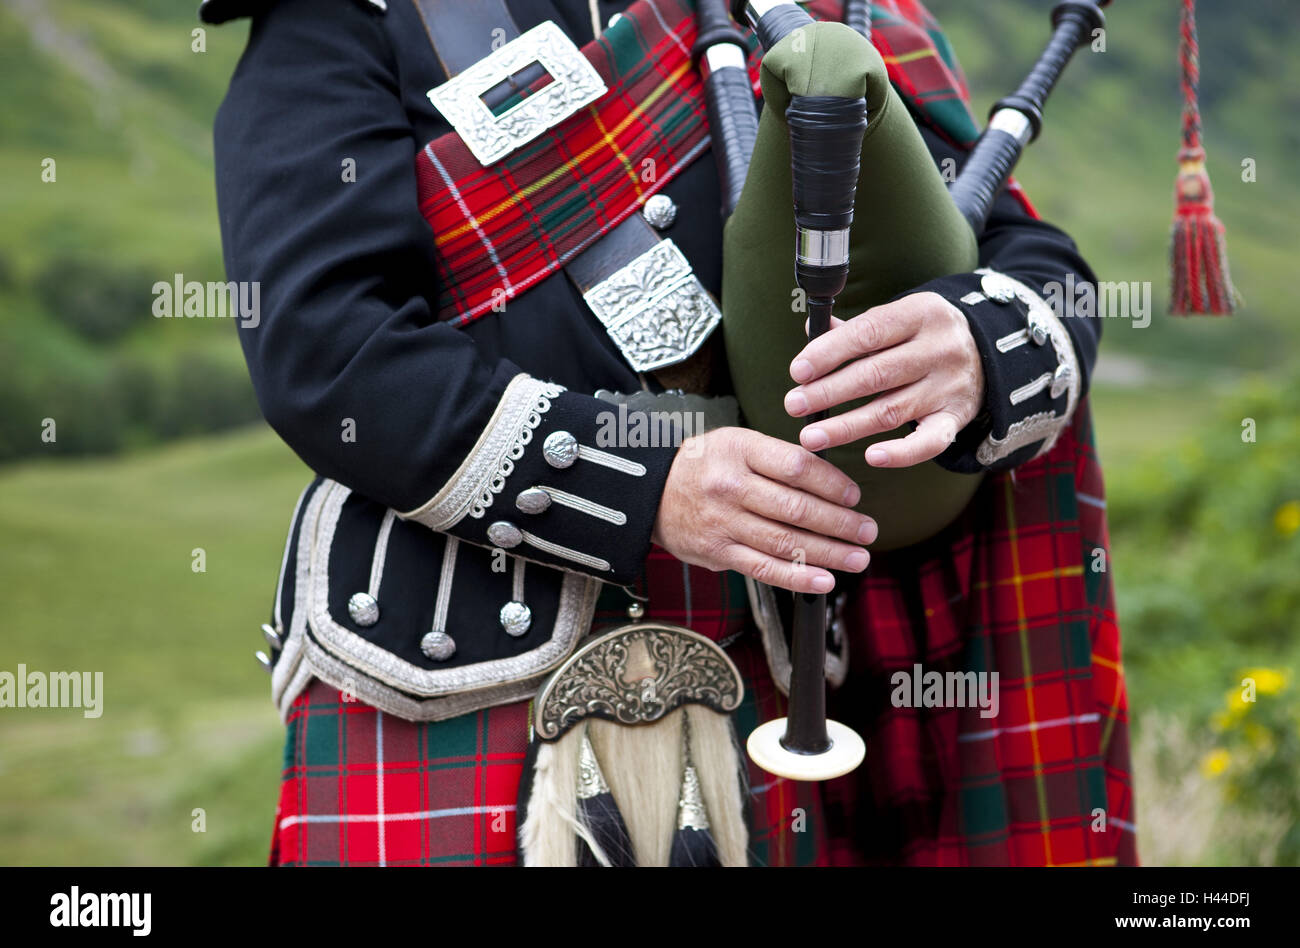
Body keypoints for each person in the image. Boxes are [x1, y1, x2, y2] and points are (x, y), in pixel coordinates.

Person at [206, 0, 1135, 866]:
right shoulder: (345, 19)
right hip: (462, 687)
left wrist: (974, 341)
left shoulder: (825, 14)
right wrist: (649, 482)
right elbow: (326, 350)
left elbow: (1027, 254)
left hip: (776, 671)